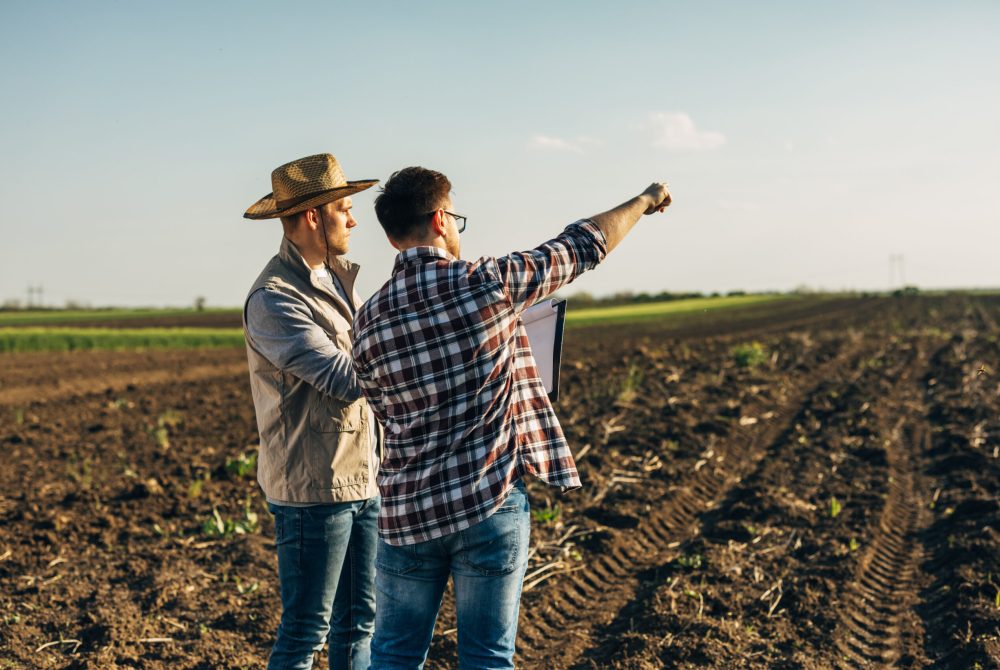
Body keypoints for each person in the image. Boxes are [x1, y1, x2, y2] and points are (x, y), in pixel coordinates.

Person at [351, 166, 671, 668]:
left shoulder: (366, 319)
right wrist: (646, 199)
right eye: (455, 217)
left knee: (392, 655)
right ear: (440, 220)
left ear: (392, 236)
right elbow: (582, 245)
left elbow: (379, 406)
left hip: (407, 513)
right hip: (488, 500)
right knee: (487, 656)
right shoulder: (488, 282)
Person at [242, 153, 383, 670]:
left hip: (361, 476)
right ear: (311, 217)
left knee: (359, 623)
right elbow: (346, 378)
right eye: (344, 208)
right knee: (306, 632)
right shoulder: (274, 298)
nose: (353, 219)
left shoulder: (337, 280)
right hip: (312, 489)